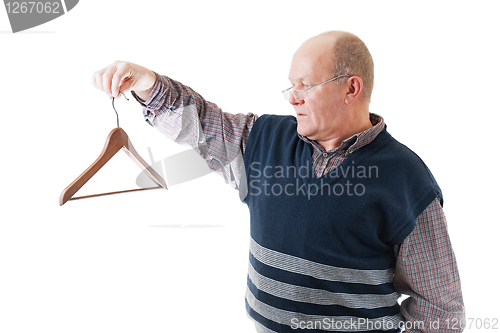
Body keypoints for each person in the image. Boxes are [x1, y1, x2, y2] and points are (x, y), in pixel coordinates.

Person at [92, 31, 465, 332]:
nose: (294, 99)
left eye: (304, 85)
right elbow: (202, 124)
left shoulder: (406, 178)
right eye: (291, 86)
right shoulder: (262, 139)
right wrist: (146, 82)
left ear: (351, 89)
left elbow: (440, 309)